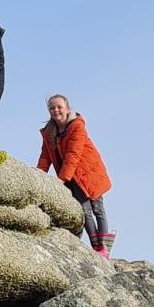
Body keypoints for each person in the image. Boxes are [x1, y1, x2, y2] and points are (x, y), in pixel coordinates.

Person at [37, 94, 115, 258]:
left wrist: (61, 179)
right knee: (84, 211)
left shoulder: (77, 126)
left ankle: (105, 249)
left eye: (59, 107)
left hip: (89, 172)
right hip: (71, 177)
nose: (56, 110)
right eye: (52, 107)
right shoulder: (49, 131)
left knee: (98, 209)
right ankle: (96, 249)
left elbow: (73, 154)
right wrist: (38, 176)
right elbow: (46, 156)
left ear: (66, 108)